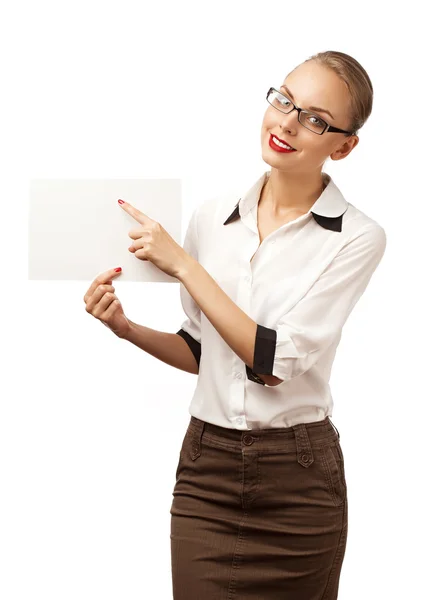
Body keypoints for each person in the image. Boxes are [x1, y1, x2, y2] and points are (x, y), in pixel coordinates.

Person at [84, 50, 386, 599]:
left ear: (343, 146)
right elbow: (201, 348)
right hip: (208, 470)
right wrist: (126, 329)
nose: (287, 123)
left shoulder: (357, 237)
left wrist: (183, 264)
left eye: (315, 119)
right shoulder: (212, 217)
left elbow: (272, 365)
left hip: (299, 484)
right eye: (284, 100)